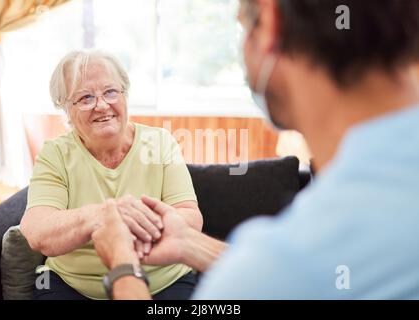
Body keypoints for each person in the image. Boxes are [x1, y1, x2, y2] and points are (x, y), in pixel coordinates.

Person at [91, 0, 419, 299]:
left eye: (243, 26)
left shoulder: (279, 266)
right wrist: (189, 242)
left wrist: (123, 268)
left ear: (270, 20)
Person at [20, 50, 203, 300]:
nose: (102, 105)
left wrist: (127, 223)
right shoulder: (55, 154)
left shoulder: (160, 142)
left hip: (162, 281)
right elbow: (37, 232)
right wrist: (103, 216)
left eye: (110, 92)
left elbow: (191, 218)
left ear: (124, 94)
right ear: (66, 109)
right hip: (74, 285)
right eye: (85, 98)